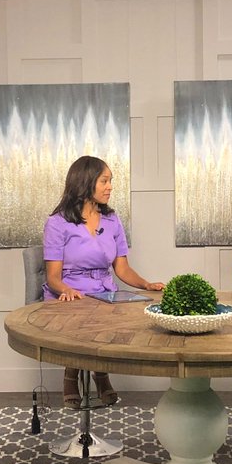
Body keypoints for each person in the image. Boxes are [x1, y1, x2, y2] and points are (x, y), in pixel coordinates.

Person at [43, 155, 164, 407]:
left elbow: (122, 268)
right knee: (81, 318)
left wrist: (146, 284)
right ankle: (71, 375)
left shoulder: (112, 219)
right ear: (86, 182)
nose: (110, 187)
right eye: (104, 181)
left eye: (110, 181)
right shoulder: (57, 223)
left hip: (105, 291)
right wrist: (67, 289)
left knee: (119, 316)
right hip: (70, 292)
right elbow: (53, 277)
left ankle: (100, 373)